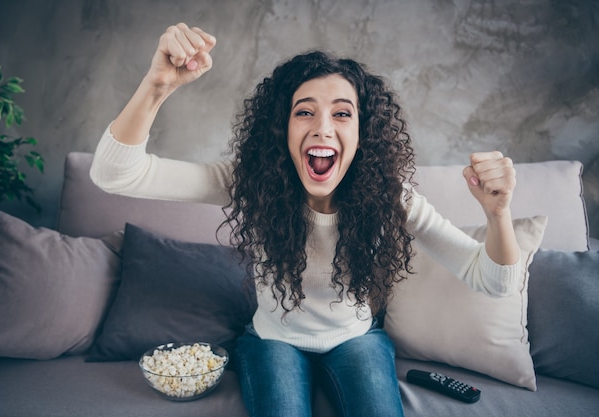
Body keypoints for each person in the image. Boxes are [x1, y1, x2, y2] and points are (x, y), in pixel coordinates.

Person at [90, 23, 520, 417]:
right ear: (282, 130)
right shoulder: (249, 181)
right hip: (273, 341)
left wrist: (497, 213)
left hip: (356, 340)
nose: (322, 128)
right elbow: (114, 173)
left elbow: (494, 280)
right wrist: (157, 85)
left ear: (362, 134)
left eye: (342, 113)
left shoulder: (393, 198)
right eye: (304, 111)